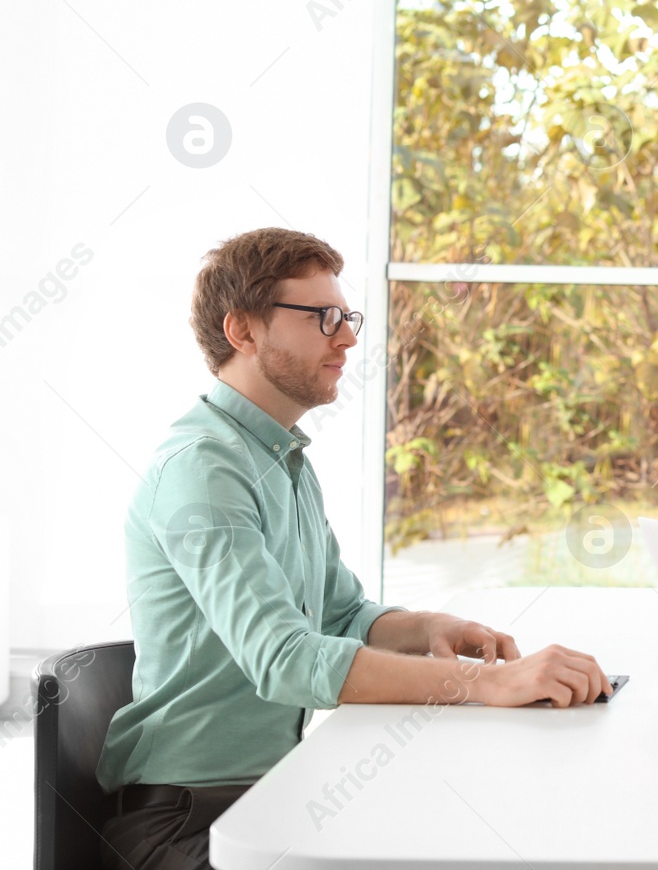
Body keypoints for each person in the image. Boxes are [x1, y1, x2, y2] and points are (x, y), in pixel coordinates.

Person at [97, 229, 611, 870]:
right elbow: (285, 661)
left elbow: (342, 617)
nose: (347, 337)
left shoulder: (281, 457)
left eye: (347, 317)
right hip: (185, 827)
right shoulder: (202, 469)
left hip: (269, 796)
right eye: (323, 318)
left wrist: (434, 627)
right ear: (243, 330)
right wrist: (488, 684)